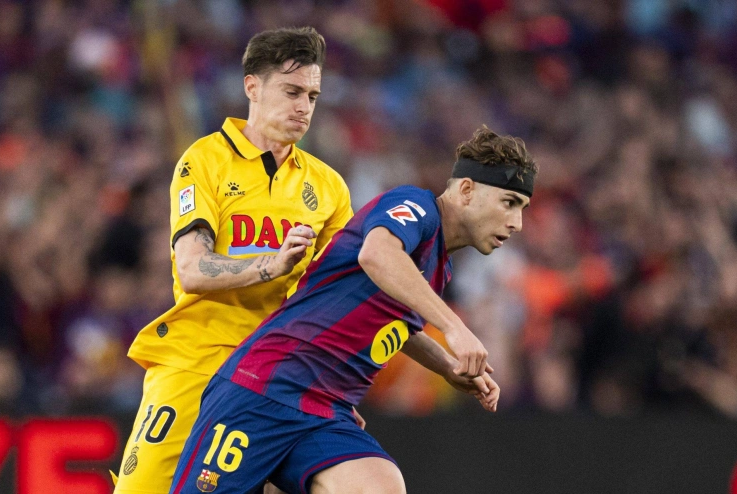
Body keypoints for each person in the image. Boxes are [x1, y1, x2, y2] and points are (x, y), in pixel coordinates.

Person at [170, 126, 537, 494]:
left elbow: (396, 327)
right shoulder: (416, 207)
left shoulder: (437, 266)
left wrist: (448, 367)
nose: (516, 223)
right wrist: (454, 327)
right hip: (266, 389)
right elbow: (376, 254)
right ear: (467, 190)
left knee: (380, 487)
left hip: (326, 412)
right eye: (509, 202)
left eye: (522, 209)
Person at [112, 27, 354, 494]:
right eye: (291, 91)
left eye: (312, 95)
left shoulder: (328, 188)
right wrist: (272, 264)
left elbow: (336, 298)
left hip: (276, 374)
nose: (304, 107)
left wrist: (333, 385)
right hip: (197, 358)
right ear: (252, 87)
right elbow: (192, 268)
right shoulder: (204, 161)